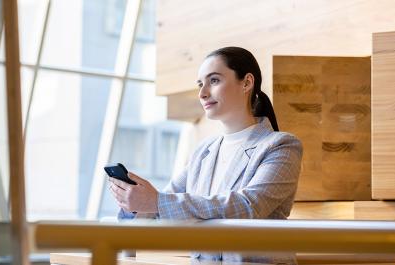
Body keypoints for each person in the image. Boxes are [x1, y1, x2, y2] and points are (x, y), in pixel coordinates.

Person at [108, 46, 303, 264]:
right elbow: (164, 206)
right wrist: (133, 204)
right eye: (200, 84)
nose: (202, 93)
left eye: (214, 81)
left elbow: (248, 205)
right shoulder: (204, 151)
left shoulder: (281, 146)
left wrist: (156, 201)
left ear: (247, 83)